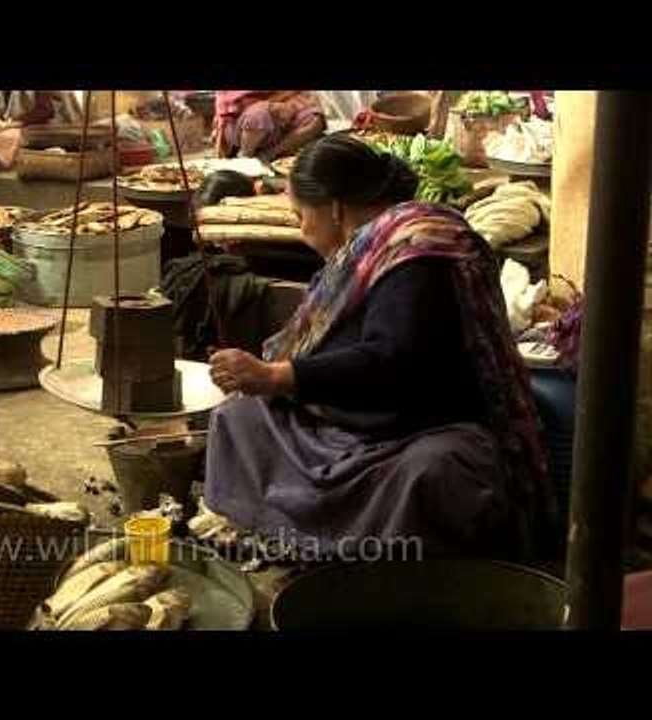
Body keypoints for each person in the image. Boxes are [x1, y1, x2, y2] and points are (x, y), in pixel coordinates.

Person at [204, 134, 555, 559]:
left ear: (335, 208)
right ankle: (303, 536)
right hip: (353, 421)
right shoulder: (371, 248)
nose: (301, 230)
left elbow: (392, 361)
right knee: (238, 417)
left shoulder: (416, 253)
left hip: (422, 430)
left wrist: (276, 376)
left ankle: (349, 553)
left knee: (432, 474)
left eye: (300, 216)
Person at [212, 91, 326, 162]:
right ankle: (245, 157)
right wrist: (271, 106)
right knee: (259, 114)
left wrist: (289, 106)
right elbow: (231, 101)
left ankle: (269, 154)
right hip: (241, 120)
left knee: (315, 119)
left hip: (282, 109)